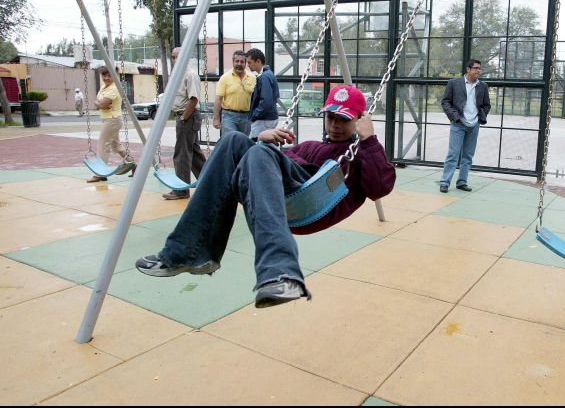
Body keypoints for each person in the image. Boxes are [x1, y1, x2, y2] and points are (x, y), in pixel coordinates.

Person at [135, 85, 396, 308]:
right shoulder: (310, 147)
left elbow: (380, 188)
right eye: (331, 118)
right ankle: (188, 253)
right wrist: (262, 139)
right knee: (233, 140)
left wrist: (370, 140)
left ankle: (282, 272)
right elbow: (267, 164)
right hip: (283, 191)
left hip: (314, 200)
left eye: (344, 119)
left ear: (359, 120)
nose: (335, 125)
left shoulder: (361, 155)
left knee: (259, 153)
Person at [438, 59, 491, 193]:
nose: (478, 71)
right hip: (458, 123)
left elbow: (486, 105)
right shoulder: (454, 83)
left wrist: (480, 117)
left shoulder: (483, 86)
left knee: (468, 155)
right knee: (453, 154)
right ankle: (445, 182)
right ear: (468, 69)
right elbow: (445, 102)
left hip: (474, 125)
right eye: (476, 68)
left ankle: (462, 182)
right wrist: (455, 117)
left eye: (480, 69)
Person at [162, 47, 208, 200]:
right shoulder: (178, 75)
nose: (175, 60)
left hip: (187, 117)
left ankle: (181, 190)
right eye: (173, 57)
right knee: (194, 153)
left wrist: (183, 118)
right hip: (184, 116)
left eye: (178, 57)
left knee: (182, 154)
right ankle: (208, 183)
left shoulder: (190, 75)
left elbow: (193, 99)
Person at [86, 67, 135, 183]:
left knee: (103, 145)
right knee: (116, 145)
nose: (106, 78)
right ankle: (133, 164)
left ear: (115, 76)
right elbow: (98, 102)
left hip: (112, 120)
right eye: (104, 75)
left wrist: (99, 104)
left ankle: (100, 173)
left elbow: (102, 104)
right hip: (109, 119)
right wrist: (99, 103)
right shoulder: (104, 87)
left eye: (109, 76)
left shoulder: (114, 88)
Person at [213, 50, 255, 136]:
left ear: (245, 63)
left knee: (245, 143)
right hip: (229, 116)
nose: (239, 64)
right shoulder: (225, 78)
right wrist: (216, 118)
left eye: (242, 62)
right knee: (230, 141)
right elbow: (219, 99)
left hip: (246, 117)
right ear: (233, 62)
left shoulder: (252, 78)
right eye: (237, 61)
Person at [245, 48, 279, 140]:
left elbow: (266, 101)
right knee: (268, 145)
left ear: (258, 61)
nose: (248, 65)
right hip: (269, 117)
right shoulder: (269, 74)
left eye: (249, 62)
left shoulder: (264, 77)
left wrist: (254, 115)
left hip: (264, 119)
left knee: (254, 146)